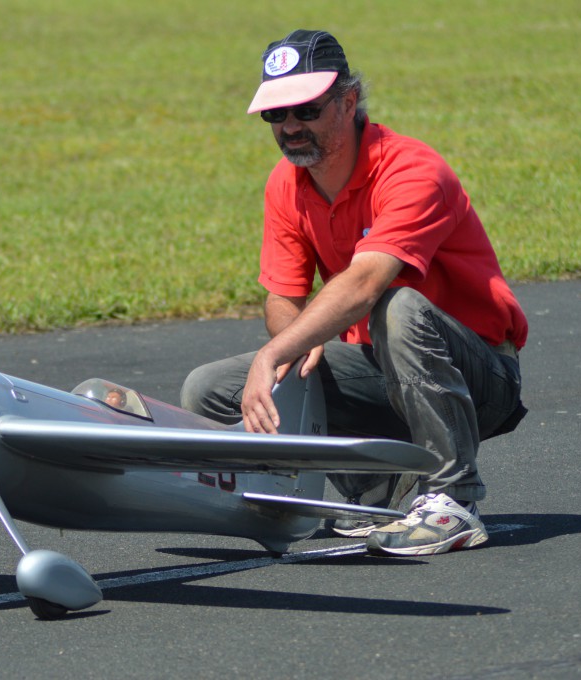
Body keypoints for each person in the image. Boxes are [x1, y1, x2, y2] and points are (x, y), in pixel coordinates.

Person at [180, 29, 528, 556]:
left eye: (306, 109)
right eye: (277, 115)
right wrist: (292, 342)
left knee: (398, 305)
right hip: (380, 372)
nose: (291, 126)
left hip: (478, 378)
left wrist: (277, 350)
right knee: (209, 388)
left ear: (348, 101)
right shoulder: (286, 183)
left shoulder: (413, 170)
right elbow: (283, 295)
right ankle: (374, 493)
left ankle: (452, 500)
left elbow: (367, 285)